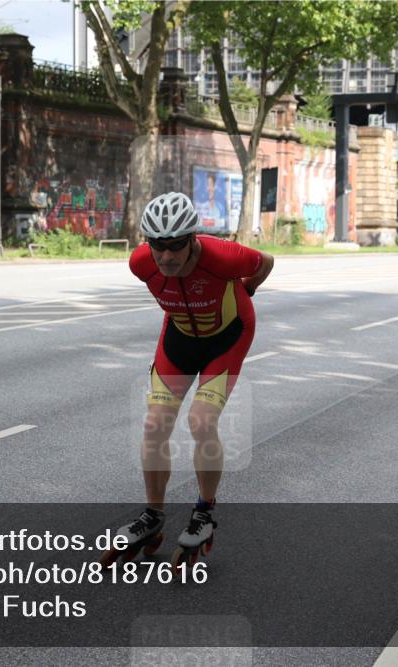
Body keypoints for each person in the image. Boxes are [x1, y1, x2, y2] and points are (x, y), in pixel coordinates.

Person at [105, 192, 273, 567]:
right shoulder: (139, 263)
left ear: (193, 239)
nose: (165, 256)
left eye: (176, 246)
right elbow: (158, 265)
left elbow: (266, 262)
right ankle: (153, 514)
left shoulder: (221, 256)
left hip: (227, 337)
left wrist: (247, 288)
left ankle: (204, 511)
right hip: (180, 337)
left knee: (201, 421)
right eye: (157, 246)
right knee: (154, 425)